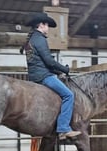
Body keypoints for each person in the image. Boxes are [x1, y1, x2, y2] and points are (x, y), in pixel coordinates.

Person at [21, 12, 81, 140]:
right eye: (47, 25)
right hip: (44, 77)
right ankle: (63, 128)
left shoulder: (31, 40)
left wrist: (57, 71)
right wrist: (65, 69)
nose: (48, 28)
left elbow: (41, 62)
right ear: (41, 25)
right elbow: (49, 61)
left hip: (35, 76)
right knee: (69, 95)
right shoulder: (40, 39)